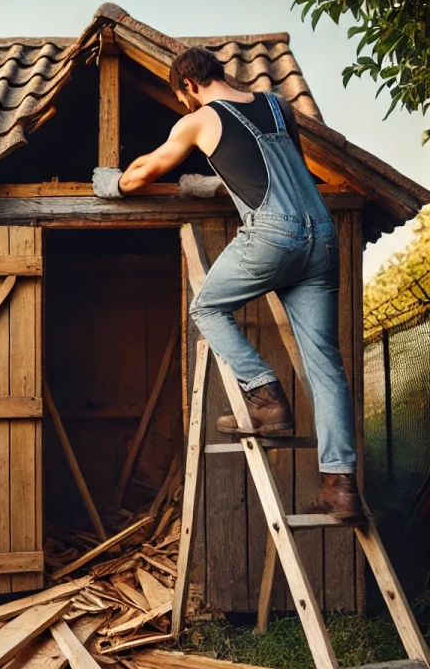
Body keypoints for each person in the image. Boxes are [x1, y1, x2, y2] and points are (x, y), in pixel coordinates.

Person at [92, 46, 365, 522]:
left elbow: (147, 171)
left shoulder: (198, 121)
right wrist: (210, 185)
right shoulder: (278, 104)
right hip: (321, 236)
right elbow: (282, 174)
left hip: (272, 236)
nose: (187, 106)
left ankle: (266, 397)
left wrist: (111, 183)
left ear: (189, 86)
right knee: (326, 364)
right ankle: (340, 486)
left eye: (184, 98)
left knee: (207, 308)